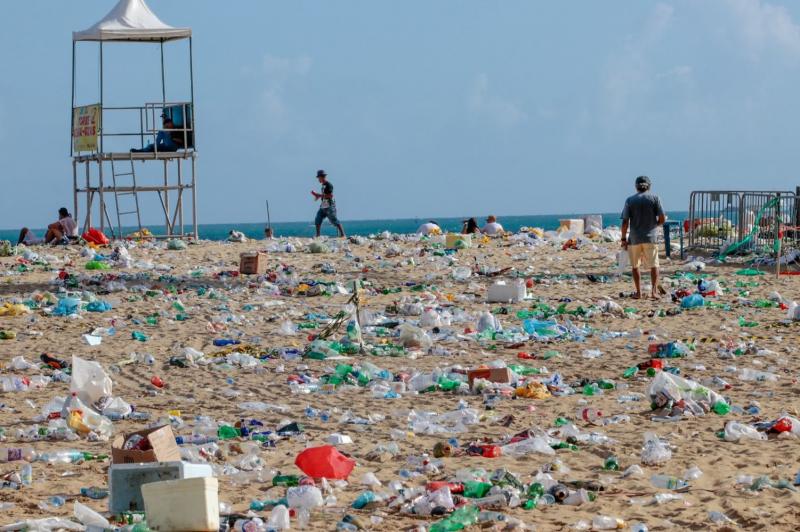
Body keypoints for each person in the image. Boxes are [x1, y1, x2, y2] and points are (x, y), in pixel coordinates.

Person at [621, 176, 666, 300]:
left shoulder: (630, 200)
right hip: (651, 237)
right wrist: (654, 225)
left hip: (634, 238)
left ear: (636, 186)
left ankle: (639, 292)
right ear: (649, 186)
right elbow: (662, 218)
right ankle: (654, 292)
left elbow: (625, 222)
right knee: (654, 265)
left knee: (635, 266)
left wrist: (623, 239)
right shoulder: (655, 198)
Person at [311, 170, 346, 238]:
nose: (318, 179)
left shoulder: (328, 185)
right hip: (324, 205)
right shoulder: (323, 185)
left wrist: (319, 195)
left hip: (329, 205)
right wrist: (318, 197)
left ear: (322, 177)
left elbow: (330, 195)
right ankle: (318, 235)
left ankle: (343, 234)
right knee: (318, 218)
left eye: (319, 177)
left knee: (334, 220)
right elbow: (324, 195)